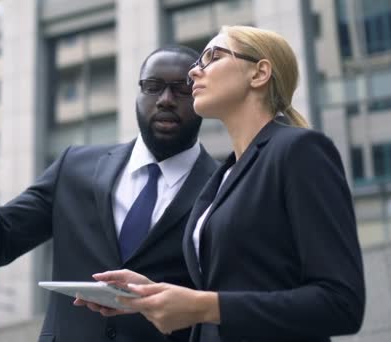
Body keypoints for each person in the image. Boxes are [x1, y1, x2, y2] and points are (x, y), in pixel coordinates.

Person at [88, 26, 366, 342]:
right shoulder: (221, 178)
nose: (194, 71)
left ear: (259, 73)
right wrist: (150, 293)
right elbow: (234, 289)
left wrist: (206, 306)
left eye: (213, 57)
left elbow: (341, 303)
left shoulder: (300, 151)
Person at [0, 45, 219, 342]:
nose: (165, 100)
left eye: (182, 89)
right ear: (138, 94)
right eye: (153, 87)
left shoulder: (224, 187)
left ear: (201, 95)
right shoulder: (74, 167)